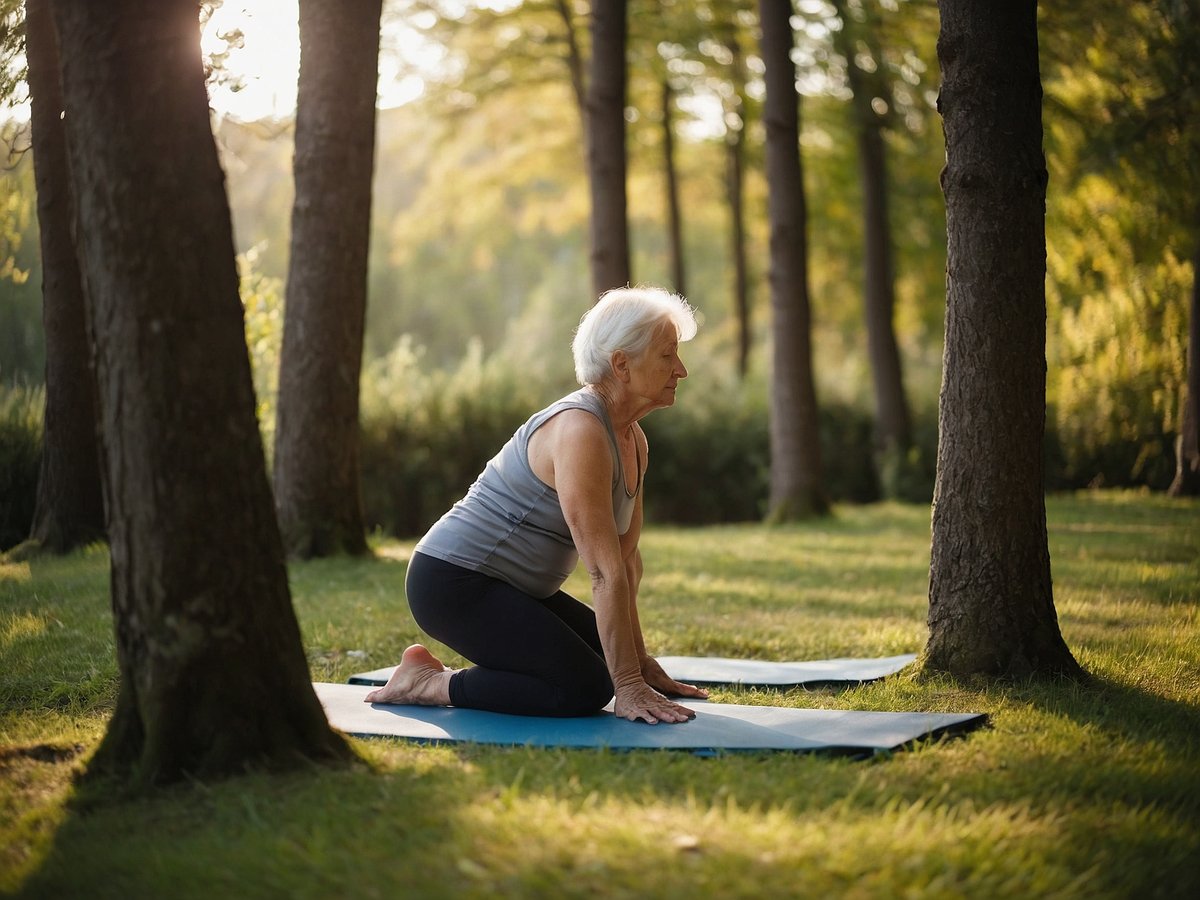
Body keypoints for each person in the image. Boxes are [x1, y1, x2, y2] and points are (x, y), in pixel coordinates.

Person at [365, 286, 709, 724]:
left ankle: (431, 675)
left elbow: (625, 563)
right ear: (622, 364)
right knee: (583, 686)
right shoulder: (580, 431)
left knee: (607, 662)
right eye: (667, 355)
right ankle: (427, 684)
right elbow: (602, 573)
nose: (681, 369)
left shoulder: (633, 440)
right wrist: (626, 687)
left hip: (512, 588)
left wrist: (638, 667)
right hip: (453, 583)